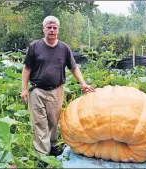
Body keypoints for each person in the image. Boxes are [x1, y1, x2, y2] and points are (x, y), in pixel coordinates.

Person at [21, 16, 95, 156]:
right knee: (39, 122)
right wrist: (24, 89)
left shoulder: (64, 48)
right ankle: (43, 154)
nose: (52, 30)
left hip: (56, 90)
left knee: (54, 121)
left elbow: (73, 67)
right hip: (37, 90)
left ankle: (53, 145)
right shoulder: (35, 46)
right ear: (43, 29)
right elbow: (26, 69)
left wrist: (83, 83)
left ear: (58, 30)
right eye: (49, 27)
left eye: (54, 28)